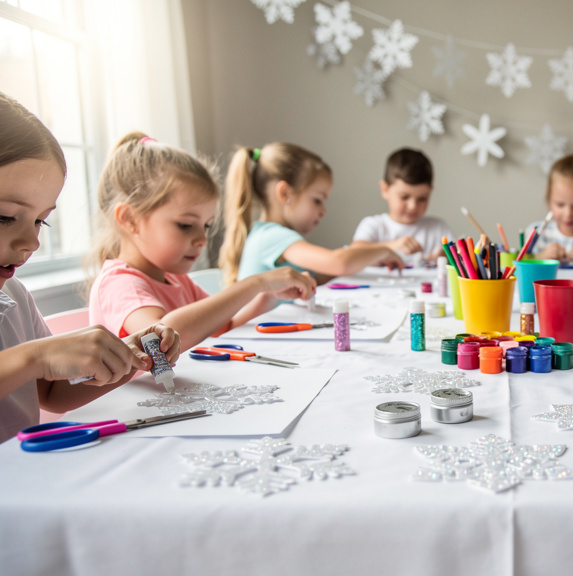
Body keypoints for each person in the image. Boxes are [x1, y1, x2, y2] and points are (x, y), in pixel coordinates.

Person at [0, 92, 180, 442]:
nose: (31, 242)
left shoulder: (13, 295)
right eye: (5, 216)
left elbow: (52, 394)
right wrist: (35, 357)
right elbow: (37, 362)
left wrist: (127, 356)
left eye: (40, 221)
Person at [87, 134, 317, 350]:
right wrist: (256, 283)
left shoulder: (177, 279)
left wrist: (267, 296)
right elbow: (160, 338)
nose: (202, 240)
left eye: (206, 226)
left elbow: (222, 328)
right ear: (130, 220)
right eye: (186, 225)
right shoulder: (119, 283)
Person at [220, 142, 403, 285]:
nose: (323, 210)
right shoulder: (272, 236)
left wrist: (365, 260)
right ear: (285, 193)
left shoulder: (269, 234)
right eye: (317, 200)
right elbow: (338, 263)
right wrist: (383, 251)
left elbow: (322, 275)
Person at [350, 148, 452, 265]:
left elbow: (458, 258)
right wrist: (392, 246)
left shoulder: (438, 228)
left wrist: (446, 257)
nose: (413, 206)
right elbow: (353, 252)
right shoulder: (374, 225)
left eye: (422, 198)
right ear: (385, 189)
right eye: (404, 197)